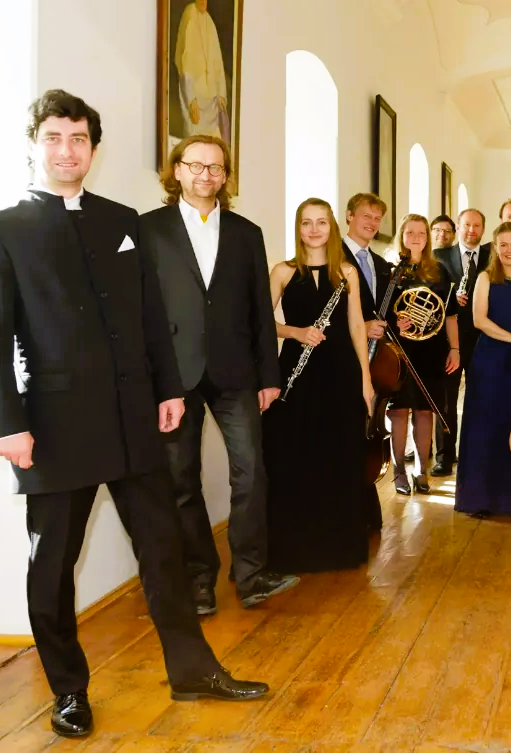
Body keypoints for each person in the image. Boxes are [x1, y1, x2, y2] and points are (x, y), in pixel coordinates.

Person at [0, 89, 267, 739]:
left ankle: (193, 670)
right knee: (53, 564)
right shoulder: (0, 227)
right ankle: (68, 690)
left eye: (79, 139)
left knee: (164, 551)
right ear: (34, 145)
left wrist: (168, 389)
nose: (67, 150)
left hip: (133, 416)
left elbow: (149, 316)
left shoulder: (122, 220)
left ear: (94, 149)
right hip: (53, 426)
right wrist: (5, 422)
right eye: (54, 138)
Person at [141, 135, 296, 616]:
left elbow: (259, 308)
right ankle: (198, 579)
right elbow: (140, 307)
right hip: (174, 375)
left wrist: (269, 375)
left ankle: (250, 574)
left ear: (226, 176)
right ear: (177, 170)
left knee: (251, 473)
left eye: (216, 168)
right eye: (196, 165)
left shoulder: (247, 233)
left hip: (236, 372)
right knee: (180, 479)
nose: (206, 174)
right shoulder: (148, 229)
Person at [261, 198, 375, 572]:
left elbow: (357, 326)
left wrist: (366, 379)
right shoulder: (282, 271)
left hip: (340, 374)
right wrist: (295, 332)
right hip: (296, 374)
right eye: (306, 222)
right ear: (298, 228)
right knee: (292, 455)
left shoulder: (346, 272)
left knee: (339, 456)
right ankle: (294, 548)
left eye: (321, 222)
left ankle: (337, 548)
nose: (314, 229)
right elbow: (260, 322)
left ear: (332, 227)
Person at [454, 223, 511, 517]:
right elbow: (479, 320)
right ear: (495, 248)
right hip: (491, 359)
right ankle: (481, 499)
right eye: (503, 245)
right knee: (487, 425)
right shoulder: (486, 277)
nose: (509, 250)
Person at [386, 214, 460, 495]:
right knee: (398, 411)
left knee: (425, 411)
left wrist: (455, 349)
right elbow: (380, 312)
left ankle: (421, 470)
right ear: (401, 236)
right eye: (410, 232)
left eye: (421, 233)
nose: (416, 237)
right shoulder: (391, 271)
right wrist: (396, 321)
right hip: (399, 351)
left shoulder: (439, 271)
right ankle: (398, 472)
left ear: (428, 238)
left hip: (431, 350)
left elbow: (450, 315)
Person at [340, 192, 394, 530]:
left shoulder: (380, 263)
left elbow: (381, 311)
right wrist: (362, 325)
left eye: (377, 219)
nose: (372, 223)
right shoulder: (332, 256)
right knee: (343, 433)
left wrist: (396, 323)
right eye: (366, 216)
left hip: (372, 360)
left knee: (363, 430)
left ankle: (363, 506)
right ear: (349, 216)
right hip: (341, 356)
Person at [433, 208, 489, 476]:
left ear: (483, 229)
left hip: (484, 340)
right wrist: (450, 300)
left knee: (481, 399)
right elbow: (433, 296)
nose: (471, 230)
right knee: (446, 400)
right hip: (449, 341)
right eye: (467, 225)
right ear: (458, 227)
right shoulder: (439, 256)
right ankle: (444, 456)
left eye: (477, 226)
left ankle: (477, 454)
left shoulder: (493, 257)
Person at [174, 0, 230, 142]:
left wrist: (221, 92)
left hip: (211, 103)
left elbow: (217, 60)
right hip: (196, 102)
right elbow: (186, 62)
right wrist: (191, 100)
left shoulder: (209, 22)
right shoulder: (190, 15)